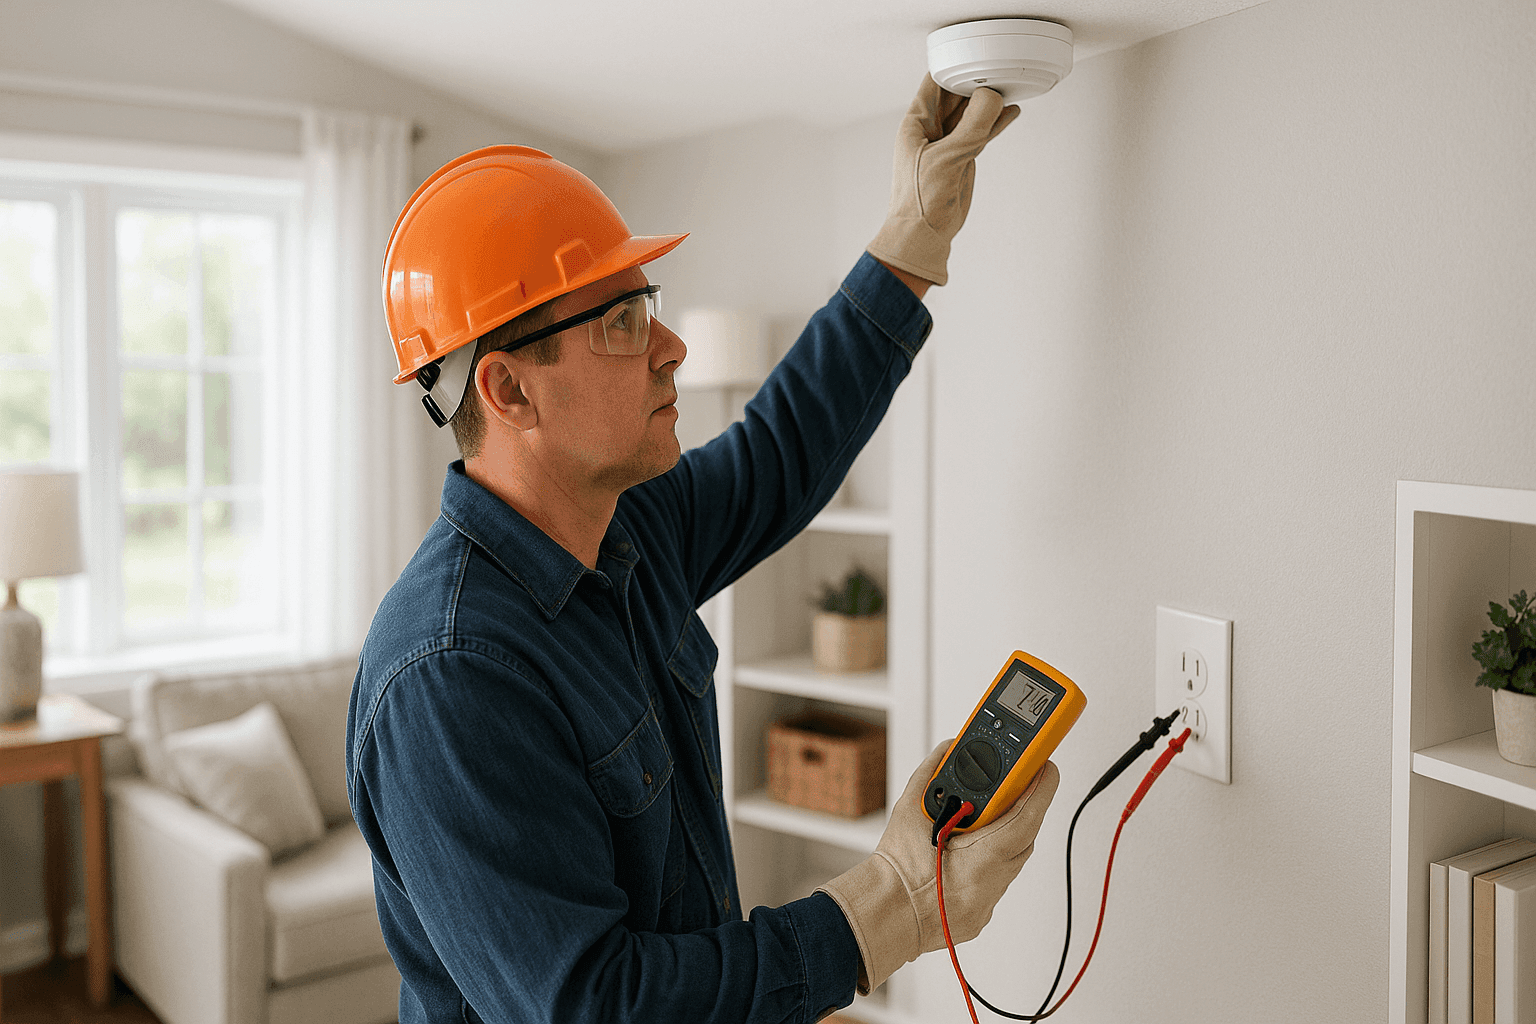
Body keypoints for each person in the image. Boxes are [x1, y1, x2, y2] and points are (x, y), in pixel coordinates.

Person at [348, 75, 1060, 1024]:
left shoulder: (627, 526)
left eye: (648, 305)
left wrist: (911, 238)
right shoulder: (450, 677)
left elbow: (781, 447)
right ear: (510, 391)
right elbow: (595, 1007)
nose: (672, 346)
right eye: (622, 322)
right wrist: (890, 907)